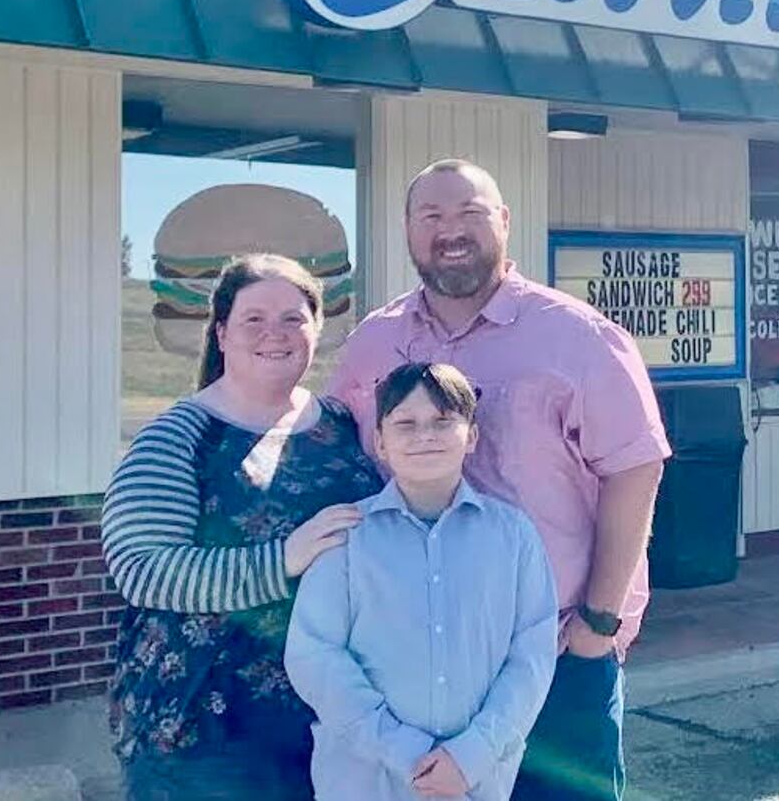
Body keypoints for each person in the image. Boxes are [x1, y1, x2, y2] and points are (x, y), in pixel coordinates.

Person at [329, 159, 669, 801]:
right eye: (431, 216)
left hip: (559, 652)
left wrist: (599, 620)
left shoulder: (578, 337)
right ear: (407, 229)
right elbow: (342, 457)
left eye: (470, 214)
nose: (449, 231)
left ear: (505, 223)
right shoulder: (374, 344)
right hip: (412, 658)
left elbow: (636, 466)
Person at [103, 254, 383, 801]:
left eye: (293, 318)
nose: (274, 334)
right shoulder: (181, 436)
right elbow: (143, 571)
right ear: (222, 333)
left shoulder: (344, 426)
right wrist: (282, 559)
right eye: (254, 319)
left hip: (332, 714)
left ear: (317, 331)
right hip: (203, 726)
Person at [285, 362, 557, 801]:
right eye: (405, 424)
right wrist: (403, 750)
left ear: (471, 437)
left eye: (442, 422)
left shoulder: (513, 536)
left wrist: (472, 754)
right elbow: (314, 654)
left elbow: (533, 655)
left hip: (473, 781)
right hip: (365, 777)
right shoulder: (346, 537)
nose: (424, 435)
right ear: (380, 442)